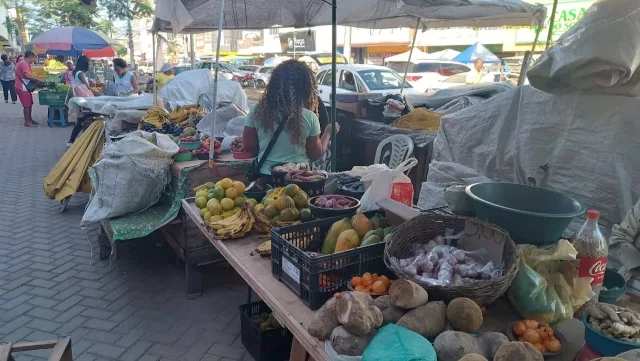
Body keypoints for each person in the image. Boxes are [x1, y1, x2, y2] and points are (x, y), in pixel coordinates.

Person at [242, 60, 339, 181]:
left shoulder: (256, 112)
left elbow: (248, 146)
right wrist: (328, 132)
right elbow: (315, 154)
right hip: (299, 179)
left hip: (265, 177)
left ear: (274, 84)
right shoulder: (309, 117)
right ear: (305, 88)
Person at [67, 56, 98, 147]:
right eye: (88, 63)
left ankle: (71, 141)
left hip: (78, 99)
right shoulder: (81, 74)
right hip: (84, 99)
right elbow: (88, 87)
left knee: (80, 120)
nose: (89, 65)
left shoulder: (74, 72)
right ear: (84, 64)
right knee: (87, 119)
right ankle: (84, 142)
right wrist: (97, 94)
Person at [15, 51, 44, 127]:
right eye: (34, 58)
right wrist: (38, 79)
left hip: (24, 87)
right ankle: (27, 122)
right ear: (30, 57)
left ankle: (30, 119)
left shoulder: (24, 63)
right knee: (27, 106)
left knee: (29, 104)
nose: (34, 60)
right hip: (22, 87)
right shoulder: (23, 64)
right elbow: (27, 75)